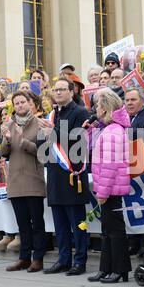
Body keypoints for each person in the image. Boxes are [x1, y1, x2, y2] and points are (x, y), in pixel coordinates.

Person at [38, 78, 90, 276]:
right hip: (55, 174)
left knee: (77, 222)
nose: (58, 93)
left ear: (71, 91)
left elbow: (78, 139)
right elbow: (45, 144)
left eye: (62, 89)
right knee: (59, 223)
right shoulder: (52, 114)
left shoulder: (80, 112)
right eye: (56, 90)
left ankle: (80, 261)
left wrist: (53, 131)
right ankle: (64, 259)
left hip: (72, 174)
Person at [85, 88, 132, 283]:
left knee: (114, 230)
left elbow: (110, 165)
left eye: (97, 105)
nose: (95, 108)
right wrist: (89, 130)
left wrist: (102, 192)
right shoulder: (108, 129)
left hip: (111, 188)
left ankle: (120, 269)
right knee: (108, 230)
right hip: (109, 188)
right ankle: (106, 268)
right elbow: (92, 150)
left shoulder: (113, 131)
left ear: (104, 108)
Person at [1, 91, 47, 273]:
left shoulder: (40, 124)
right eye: (17, 103)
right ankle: (24, 258)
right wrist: (6, 139)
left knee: (37, 223)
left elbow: (43, 152)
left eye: (23, 102)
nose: (20, 105)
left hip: (33, 180)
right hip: (15, 181)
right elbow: (3, 152)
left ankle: (38, 258)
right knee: (22, 224)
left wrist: (22, 140)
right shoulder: (9, 125)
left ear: (30, 103)